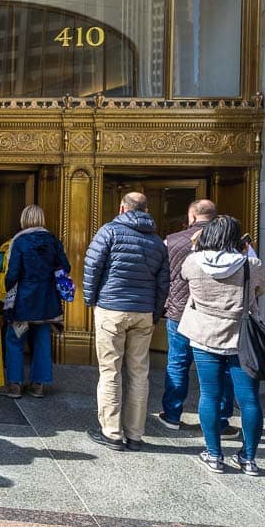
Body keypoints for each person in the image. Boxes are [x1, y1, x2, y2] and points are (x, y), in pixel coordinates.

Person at [178, 216, 265, 475]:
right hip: (241, 338)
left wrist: (196, 247)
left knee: (209, 395)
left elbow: (184, 277)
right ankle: (248, 458)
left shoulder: (193, 261)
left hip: (204, 333)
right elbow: (259, 291)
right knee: (249, 400)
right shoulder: (251, 264)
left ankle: (214, 454)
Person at [82, 192, 169, 451]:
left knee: (110, 371)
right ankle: (135, 435)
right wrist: (154, 314)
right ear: (146, 208)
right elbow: (163, 283)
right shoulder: (156, 241)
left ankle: (111, 432)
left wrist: (91, 300)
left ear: (122, 207)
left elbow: (92, 266)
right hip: (143, 312)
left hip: (112, 308)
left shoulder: (109, 231)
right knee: (139, 374)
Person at [159, 199, 236, 436]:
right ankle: (221, 420)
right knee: (222, 366)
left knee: (178, 362)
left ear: (192, 217)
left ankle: (172, 414)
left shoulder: (171, 241)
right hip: (222, 315)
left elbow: (164, 277)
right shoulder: (235, 245)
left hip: (180, 312)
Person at [0, 204, 71, 399]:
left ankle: (14, 385)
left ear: (24, 219)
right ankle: (38, 385)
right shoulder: (53, 240)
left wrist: (8, 289)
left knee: (14, 340)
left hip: (23, 299)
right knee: (42, 340)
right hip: (46, 300)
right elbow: (65, 266)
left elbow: (12, 273)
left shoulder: (19, 241)